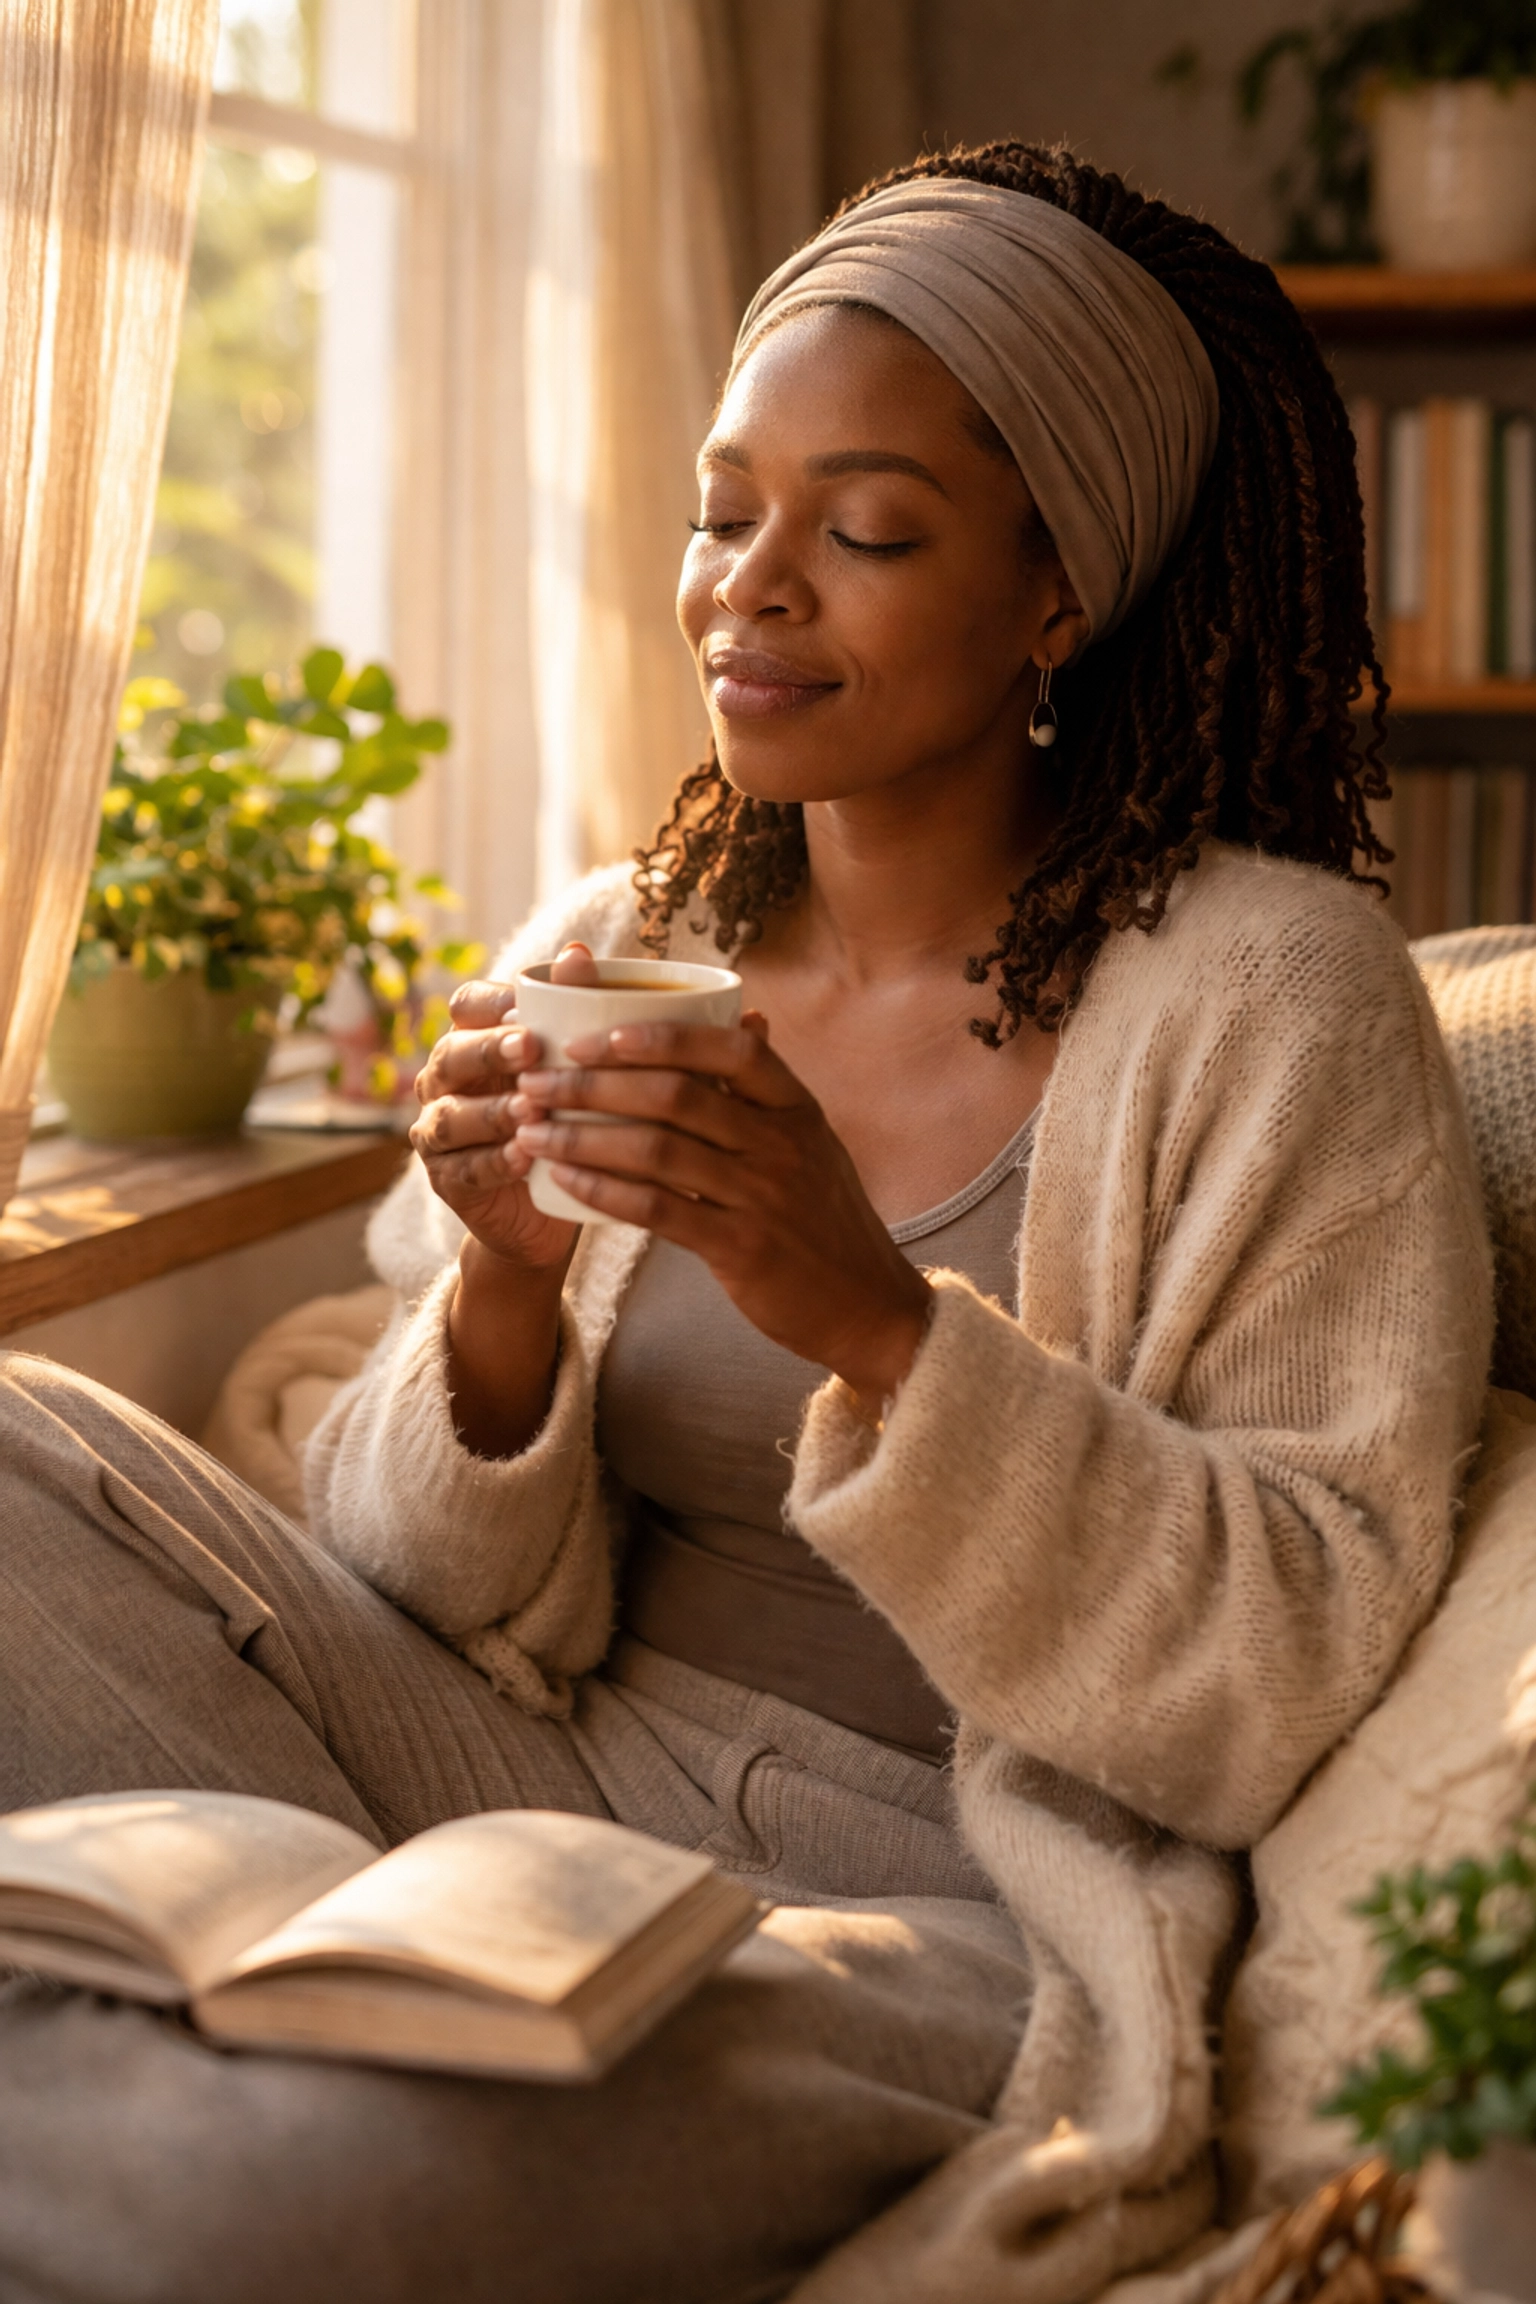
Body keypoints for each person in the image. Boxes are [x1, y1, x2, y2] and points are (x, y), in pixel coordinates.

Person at [0, 143, 1491, 2304]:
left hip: (923, 1899)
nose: (747, 587)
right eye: (725, 515)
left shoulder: (1272, 996)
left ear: (1056, 589)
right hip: (509, 1755)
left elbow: (1283, 1674)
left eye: (865, 528)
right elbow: (411, 1583)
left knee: (258, 2184)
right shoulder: (635, 934)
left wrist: (876, 1321)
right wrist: (502, 1292)